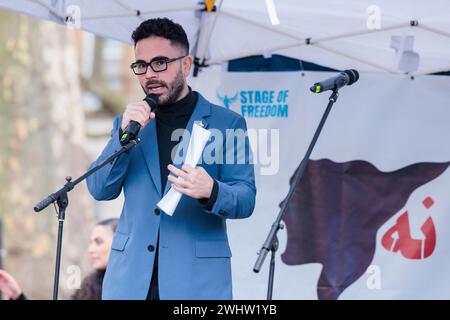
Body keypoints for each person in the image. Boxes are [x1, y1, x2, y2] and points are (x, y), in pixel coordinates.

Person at [86, 17, 256, 300]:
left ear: (186, 65)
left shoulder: (227, 123)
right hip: (130, 282)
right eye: (141, 65)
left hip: (196, 284)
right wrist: (122, 138)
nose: (150, 73)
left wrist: (211, 190)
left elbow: (245, 198)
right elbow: (99, 189)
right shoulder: (128, 122)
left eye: (160, 62)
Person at [0, 218, 118, 300]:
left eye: (98, 242)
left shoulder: (128, 285)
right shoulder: (89, 285)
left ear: (119, 243)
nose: (91, 249)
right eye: (91, 242)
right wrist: (18, 296)